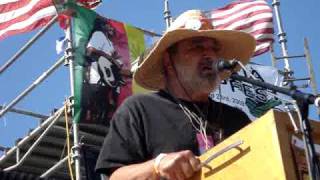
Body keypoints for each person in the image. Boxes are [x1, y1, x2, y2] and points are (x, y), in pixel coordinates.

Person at [95, 9, 256, 179]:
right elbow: (115, 177)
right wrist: (157, 166)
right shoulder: (140, 109)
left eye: (214, 49)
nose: (209, 54)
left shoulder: (236, 119)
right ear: (168, 61)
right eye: (197, 46)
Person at [82, 18, 131, 124]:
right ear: (102, 26)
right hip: (98, 78)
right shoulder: (99, 35)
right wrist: (110, 59)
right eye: (108, 25)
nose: (111, 28)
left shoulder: (110, 43)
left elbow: (117, 68)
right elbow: (90, 50)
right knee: (100, 105)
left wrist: (131, 73)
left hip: (109, 81)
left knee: (107, 108)